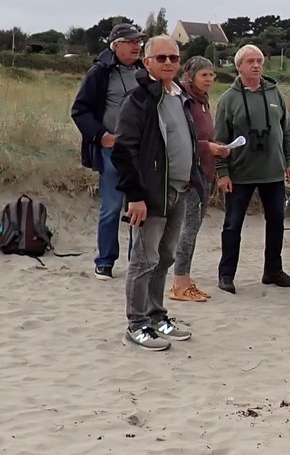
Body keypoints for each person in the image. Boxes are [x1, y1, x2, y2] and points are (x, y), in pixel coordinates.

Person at [113, 36, 205, 351]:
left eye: (174, 58)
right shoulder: (138, 100)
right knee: (144, 259)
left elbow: (187, 141)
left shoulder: (180, 96)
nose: (168, 63)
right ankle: (135, 324)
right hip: (151, 195)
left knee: (165, 257)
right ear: (147, 62)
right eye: (161, 57)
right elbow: (124, 151)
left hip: (180, 190)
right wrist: (135, 196)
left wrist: (193, 178)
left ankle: (156, 316)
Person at [214, 44, 290, 294]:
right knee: (232, 224)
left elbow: (287, 131)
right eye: (250, 61)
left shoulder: (275, 94)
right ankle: (226, 274)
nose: (256, 65)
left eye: (259, 61)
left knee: (276, 222)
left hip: (272, 171)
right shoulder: (228, 100)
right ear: (238, 65)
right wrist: (222, 172)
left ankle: (273, 271)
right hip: (240, 173)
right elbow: (219, 141)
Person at [71, 22, 146, 280]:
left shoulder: (145, 71)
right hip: (112, 150)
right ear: (116, 45)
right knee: (112, 207)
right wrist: (101, 136)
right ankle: (105, 261)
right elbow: (79, 110)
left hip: (142, 152)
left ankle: (136, 260)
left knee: (139, 206)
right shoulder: (100, 72)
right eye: (131, 42)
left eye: (139, 42)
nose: (137, 46)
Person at [168, 56, 231, 302]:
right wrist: (209, 147)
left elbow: (204, 136)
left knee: (192, 229)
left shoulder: (203, 101)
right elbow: (182, 139)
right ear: (189, 76)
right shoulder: (184, 100)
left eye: (211, 75)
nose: (209, 79)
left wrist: (219, 147)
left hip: (204, 172)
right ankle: (179, 282)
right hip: (188, 174)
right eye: (204, 75)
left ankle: (184, 279)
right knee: (188, 228)